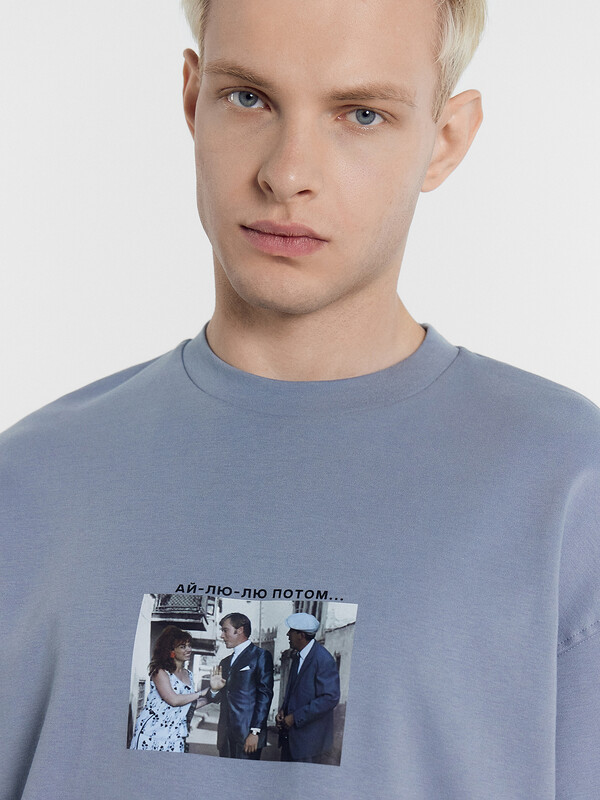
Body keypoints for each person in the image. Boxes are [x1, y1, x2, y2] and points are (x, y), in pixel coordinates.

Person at [1, 0, 599, 797]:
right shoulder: (31, 481)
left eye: (361, 114)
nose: (286, 174)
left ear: (446, 140)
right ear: (193, 101)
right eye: (249, 97)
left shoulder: (569, 488)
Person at [129, 625, 208, 751]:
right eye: (183, 646)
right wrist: (202, 693)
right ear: (171, 650)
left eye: (189, 645)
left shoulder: (189, 675)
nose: (188, 649)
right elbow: (174, 700)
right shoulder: (160, 672)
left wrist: (212, 697)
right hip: (152, 733)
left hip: (175, 735)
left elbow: (188, 705)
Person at [206, 613, 274, 759]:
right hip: (225, 736)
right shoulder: (225, 662)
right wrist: (214, 690)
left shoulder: (260, 656)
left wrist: (255, 732)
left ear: (240, 630)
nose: (222, 636)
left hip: (247, 735)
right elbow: (218, 697)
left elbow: (265, 695)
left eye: (225, 630)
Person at [276, 613, 340, 763]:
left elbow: (330, 698)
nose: (287, 634)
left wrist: (295, 717)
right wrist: (283, 710)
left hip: (309, 745)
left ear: (301, 635)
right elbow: (294, 691)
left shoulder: (323, 659)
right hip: (291, 740)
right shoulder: (297, 657)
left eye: (291, 631)